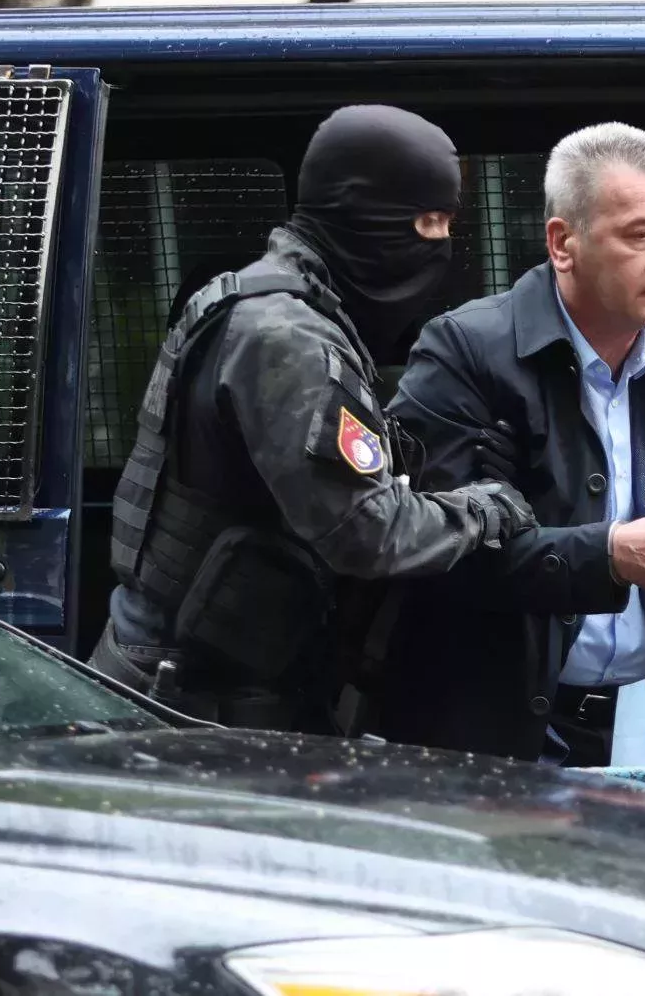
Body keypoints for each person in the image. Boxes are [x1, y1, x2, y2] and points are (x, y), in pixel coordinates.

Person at [90, 104, 535, 732]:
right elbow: (369, 533)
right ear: (363, 212)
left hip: (203, 680)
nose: (440, 243)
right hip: (192, 704)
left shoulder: (266, 301)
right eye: (426, 222)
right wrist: (488, 508)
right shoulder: (287, 335)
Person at [381, 121, 645, 767]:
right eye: (641, 235)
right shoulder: (465, 349)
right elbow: (432, 551)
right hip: (509, 732)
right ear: (563, 243)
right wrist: (612, 556)